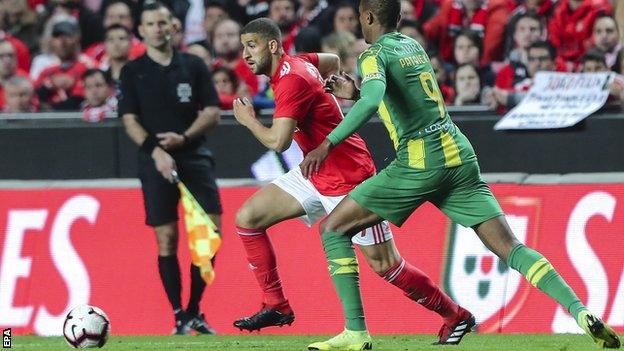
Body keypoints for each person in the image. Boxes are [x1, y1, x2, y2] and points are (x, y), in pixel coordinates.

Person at [301, 1, 622, 350]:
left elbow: (373, 100)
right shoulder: (413, 46)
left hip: (419, 162)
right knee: (511, 248)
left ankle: (355, 333)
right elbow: (404, 102)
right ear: (401, 17)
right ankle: (580, 312)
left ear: (367, 17)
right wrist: (357, 93)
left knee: (333, 229)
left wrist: (327, 144)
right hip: (459, 155)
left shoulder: (372, 54)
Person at [231, 17, 474, 350]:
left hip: (348, 177)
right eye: (243, 46)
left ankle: (455, 315)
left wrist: (247, 121)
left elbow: (278, 142)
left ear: (272, 45)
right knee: (247, 218)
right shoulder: (301, 63)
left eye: (251, 45)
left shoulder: (290, 81)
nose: (244, 54)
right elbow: (331, 61)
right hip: (314, 172)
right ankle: (276, 305)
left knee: (387, 266)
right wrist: (331, 90)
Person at [118, 1, 222, 336]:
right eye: (151, 24)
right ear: (142, 30)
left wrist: (184, 138)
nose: (158, 29)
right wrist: (157, 151)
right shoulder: (132, 71)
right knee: (167, 238)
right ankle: (178, 313)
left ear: (172, 27)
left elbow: (212, 111)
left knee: (211, 233)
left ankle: (194, 310)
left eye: (163, 23)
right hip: (154, 162)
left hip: (194, 156)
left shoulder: (193, 65)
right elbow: (129, 120)